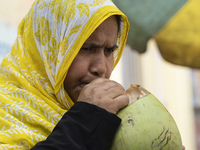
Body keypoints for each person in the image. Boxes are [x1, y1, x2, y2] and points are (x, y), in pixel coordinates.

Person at [0, 0, 129, 149]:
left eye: (109, 51)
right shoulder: (4, 112)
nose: (101, 68)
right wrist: (86, 122)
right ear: (47, 49)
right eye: (86, 48)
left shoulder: (107, 118)